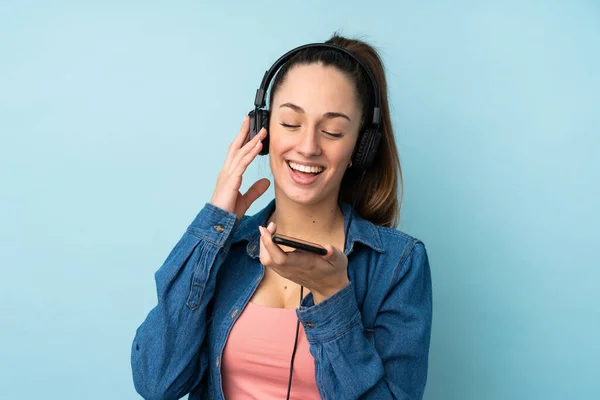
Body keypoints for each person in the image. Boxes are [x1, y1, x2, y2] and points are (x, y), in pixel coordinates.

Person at [131, 33, 432, 400]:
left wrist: (333, 294)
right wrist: (212, 224)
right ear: (265, 130)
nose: (308, 146)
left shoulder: (397, 264)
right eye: (291, 123)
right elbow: (156, 382)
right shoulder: (223, 248)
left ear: (361, 147)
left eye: (333, 131)